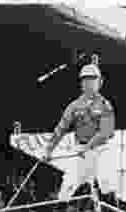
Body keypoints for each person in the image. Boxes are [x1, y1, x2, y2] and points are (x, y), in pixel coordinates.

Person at [42, 63, 116, 201]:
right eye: (85, 80)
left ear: (100, 82)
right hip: (80, 149)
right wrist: (48, 151)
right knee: (68, 185)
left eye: (92, 80)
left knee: (105, 181)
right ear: (81, 83)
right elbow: (60, 129)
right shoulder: (74, 106)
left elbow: (105, 133)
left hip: (101, 150)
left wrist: (88, 147)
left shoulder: (105, 105)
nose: (89, 83)